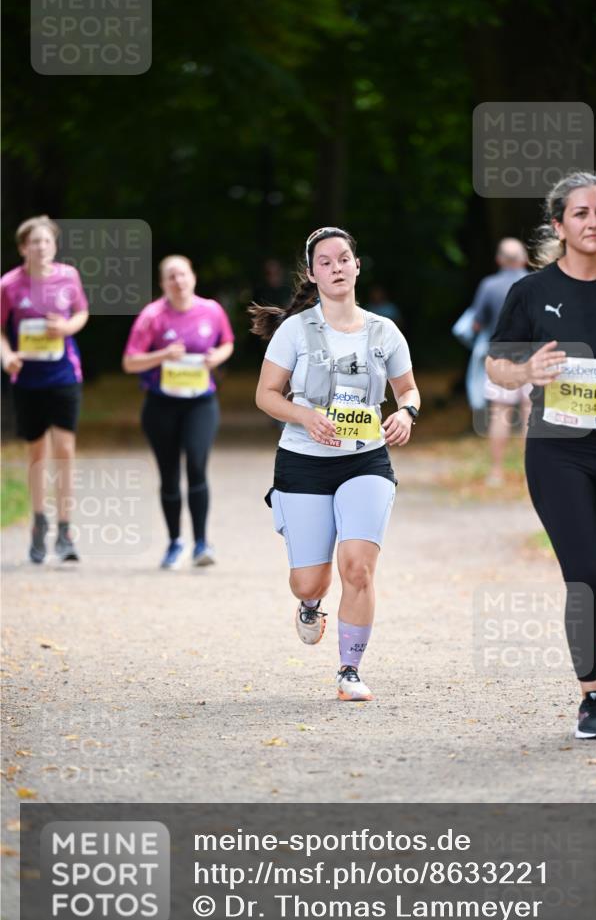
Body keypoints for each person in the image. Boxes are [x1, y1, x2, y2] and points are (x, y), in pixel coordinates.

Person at [486, 172, 596, 741]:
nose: (593, 223)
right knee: (586, 575)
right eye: (581, 214)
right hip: (557, 452)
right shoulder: (531, 292)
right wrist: (525, 371)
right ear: (559, 225)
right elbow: (496, 365)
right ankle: (591, 697)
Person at [251, 227, 420, 702]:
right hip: (304, 461)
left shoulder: (384, 331)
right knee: (310, 579)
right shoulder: (295, 331)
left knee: (358, 567)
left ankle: (350, 670)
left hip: (365, 461)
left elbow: (408, 389)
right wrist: (304, 414)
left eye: (344, 259)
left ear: (357, 266)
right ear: (312, 273)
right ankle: (310, 605)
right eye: (325, 262)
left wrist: (406, 412)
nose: (337, 268)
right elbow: (265, 395)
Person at [122, 255, 234, 569]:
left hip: (200, 402)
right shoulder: (152, 316)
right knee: (169, 474)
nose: (178, 281)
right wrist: (162, 355)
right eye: (171, 276)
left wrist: (217, 357)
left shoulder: (211, 310)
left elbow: (227, 342)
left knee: (197, 465)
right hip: (161, 405)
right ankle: (174, 542)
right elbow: (130, 362)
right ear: (163, 283)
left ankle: (201, 543)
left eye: (183, 274)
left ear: (193, 278)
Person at [1, 215, 89, 563]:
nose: (42, 247)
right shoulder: (9, 284)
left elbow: (82, 312)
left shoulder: (68, 277)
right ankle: (39, 525)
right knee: (37, 453)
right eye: (34, 242)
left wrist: (67, 327)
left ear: (54, 246)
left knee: (65, 449)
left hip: (65, 374)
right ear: (23, 247)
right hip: (27, 378)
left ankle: (65, 530)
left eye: (47, 241)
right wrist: (7, 356)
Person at [471, 238, 531, 485]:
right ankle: (531, 475)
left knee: (500, 414)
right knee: (530, 414)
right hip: (533, 357)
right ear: (525, 259)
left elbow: (476, 323)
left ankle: (496, 472)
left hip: (501, 357)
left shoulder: (489, 285)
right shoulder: (536, 283)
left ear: (499, 260)